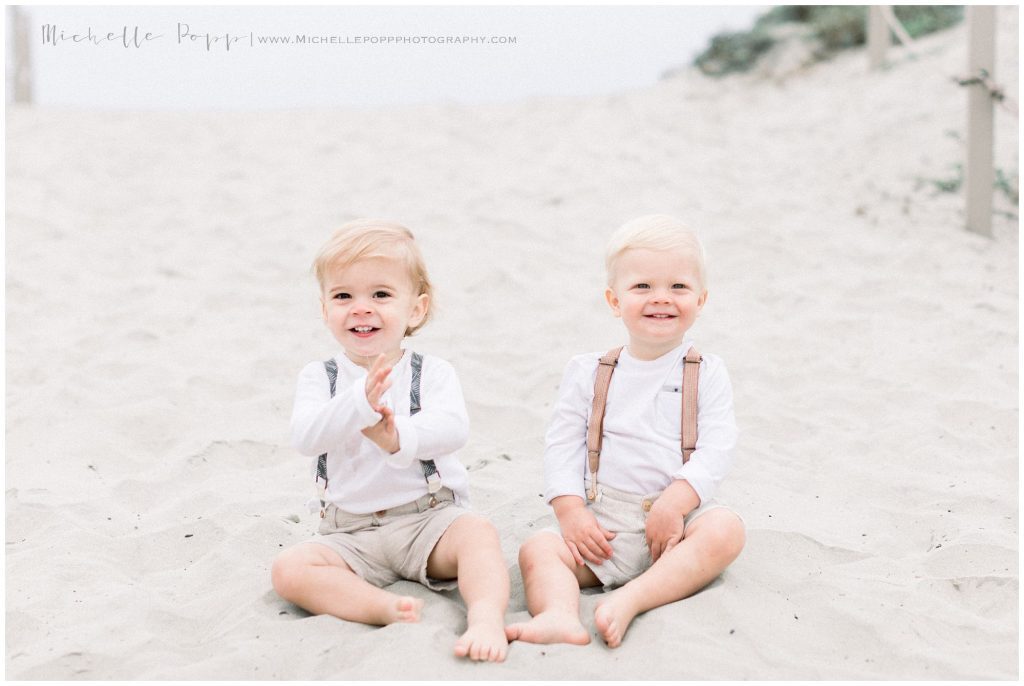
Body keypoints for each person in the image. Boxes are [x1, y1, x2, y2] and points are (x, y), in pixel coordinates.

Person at [271, 219, 510, 662]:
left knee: (477, 534)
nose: (361, 308)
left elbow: (453, 428)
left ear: (415, 310)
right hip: (350, 532)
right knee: (290, 570)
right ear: (325, 311)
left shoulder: (432, 372)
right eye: (344, 296)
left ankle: (485, 616)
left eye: (381, 295)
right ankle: (379, 607)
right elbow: (305, 437)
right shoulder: (319, 377)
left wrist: (396, 435)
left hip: (427, 520)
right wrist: (358, 403)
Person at [506, 214, 746, 648]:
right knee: (538, 550)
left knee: (726, 530)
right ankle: (559, 615)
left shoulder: (707, 372)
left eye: (679, 287)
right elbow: (562, 445)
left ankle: (635, 597)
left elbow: (717, 446)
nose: (661, 299)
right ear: (614, 301)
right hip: (604, 523)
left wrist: (676, 502)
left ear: (701, 298)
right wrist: (571, 512)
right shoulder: (589, 371)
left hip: (679, 519)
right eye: (642, 287)